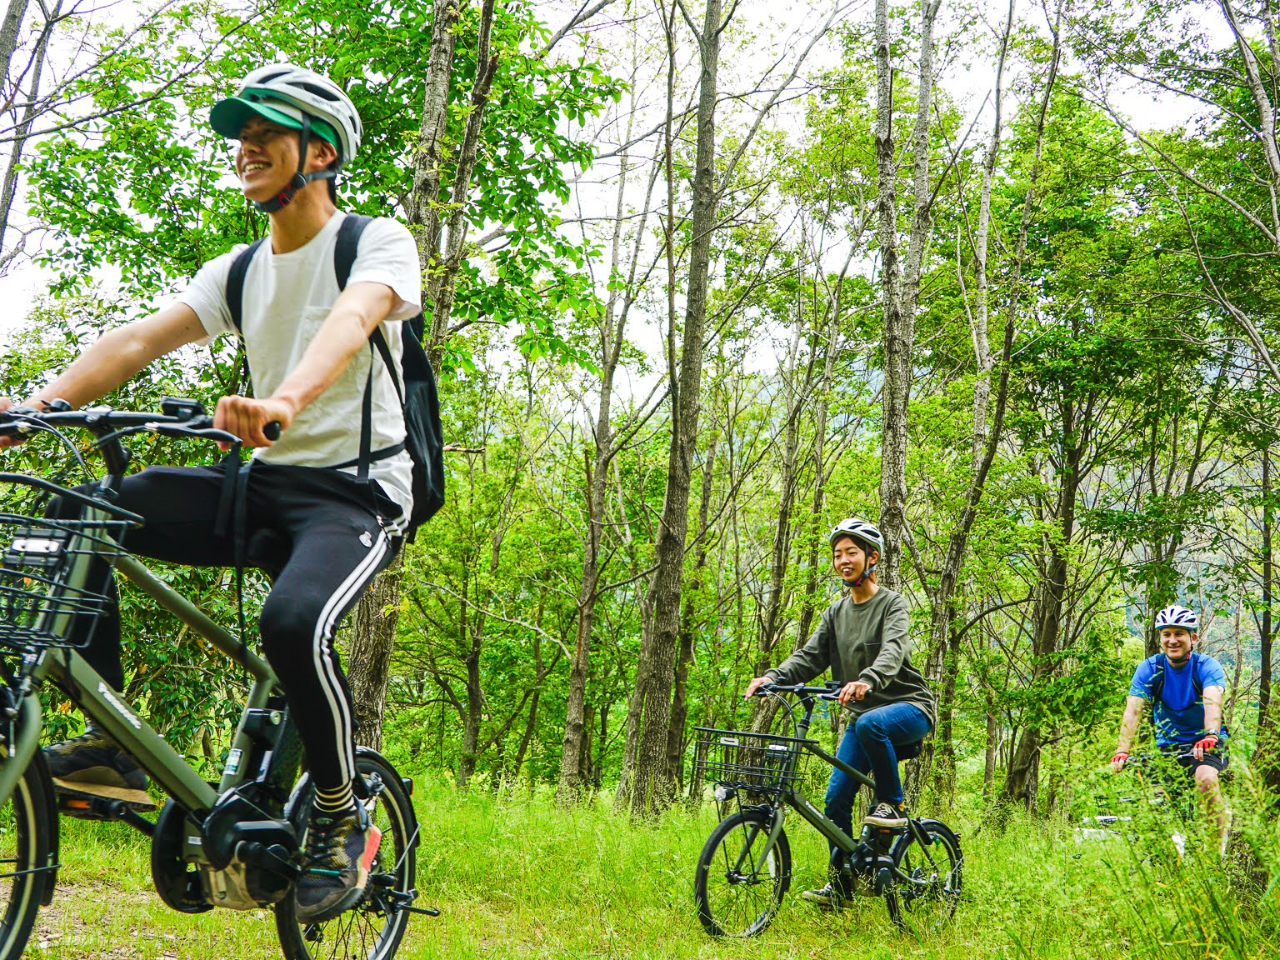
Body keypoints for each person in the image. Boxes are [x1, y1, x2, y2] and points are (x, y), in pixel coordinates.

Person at [0, 63, 421, 922]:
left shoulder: (375, 242)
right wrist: (34, 408)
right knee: (80, 507)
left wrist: (282, 402)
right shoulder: (238, 268)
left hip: (353, 494)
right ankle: (111, 746)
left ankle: (344, 816)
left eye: (267, 132)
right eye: (241, 133)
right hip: (260, 482)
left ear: (322, 152)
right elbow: (140, 339)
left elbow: (351, 320)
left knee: (293, 621)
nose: (246, 148)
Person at [744, 517, 935, 909]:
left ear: (872, 558)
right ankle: (843, 884)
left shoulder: (892, 605)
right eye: (837, 555)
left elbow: (893, 651)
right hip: (864, 720)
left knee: (869, 724)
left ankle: (892, 803)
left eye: (851, 552)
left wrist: (867, 678)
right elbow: (809, 656)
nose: (843, 560)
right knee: (835, 801)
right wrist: (773, 677)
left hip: (909, 709)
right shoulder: (835, 613)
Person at [1110, 603, 1230, 853]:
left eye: (1179, 634)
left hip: (1205, 743)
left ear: (1192, 637)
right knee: (1152, 803)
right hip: (1167, 747)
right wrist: (1122, 751)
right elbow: (1133, 710)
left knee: (1205, 779)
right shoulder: (1150, 668)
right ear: (1160, 638)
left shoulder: (1206, 666)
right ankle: (1163, 861)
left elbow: (1212, 701)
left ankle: (1216, 855)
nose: (1172, 640)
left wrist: (1209, 735)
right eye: (1167, 634)